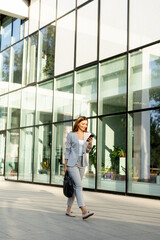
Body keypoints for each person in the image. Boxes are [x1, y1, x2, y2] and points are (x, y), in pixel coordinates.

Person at [64, 116, 94, 220]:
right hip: (72, 163)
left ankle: (68, 210)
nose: (84, 126)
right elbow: (67, 150)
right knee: (79, 186)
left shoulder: (87, 135)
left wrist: (90, 144)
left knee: (75, 187)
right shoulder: (71, 135)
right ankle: (84, 210)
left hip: (83, 163)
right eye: (83, 123)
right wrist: (65, 165)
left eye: (86, 124)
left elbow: (87, 151)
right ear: (78, 123)